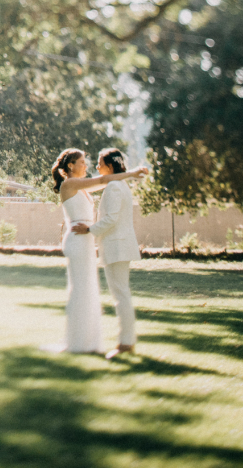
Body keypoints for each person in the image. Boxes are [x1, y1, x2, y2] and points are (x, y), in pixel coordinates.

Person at [49, 148, 148, 354]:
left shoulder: (82, 187)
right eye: (83, 162)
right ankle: (79, 340)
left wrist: (127, 175)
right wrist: (131, 173)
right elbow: (105, 181)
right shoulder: (71, 184)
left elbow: (107, 181)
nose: (87, 166)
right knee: (81, 289)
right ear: (70, 166)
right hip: (79, 239)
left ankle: (89, 340)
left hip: (86, 239)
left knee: (88, 289)